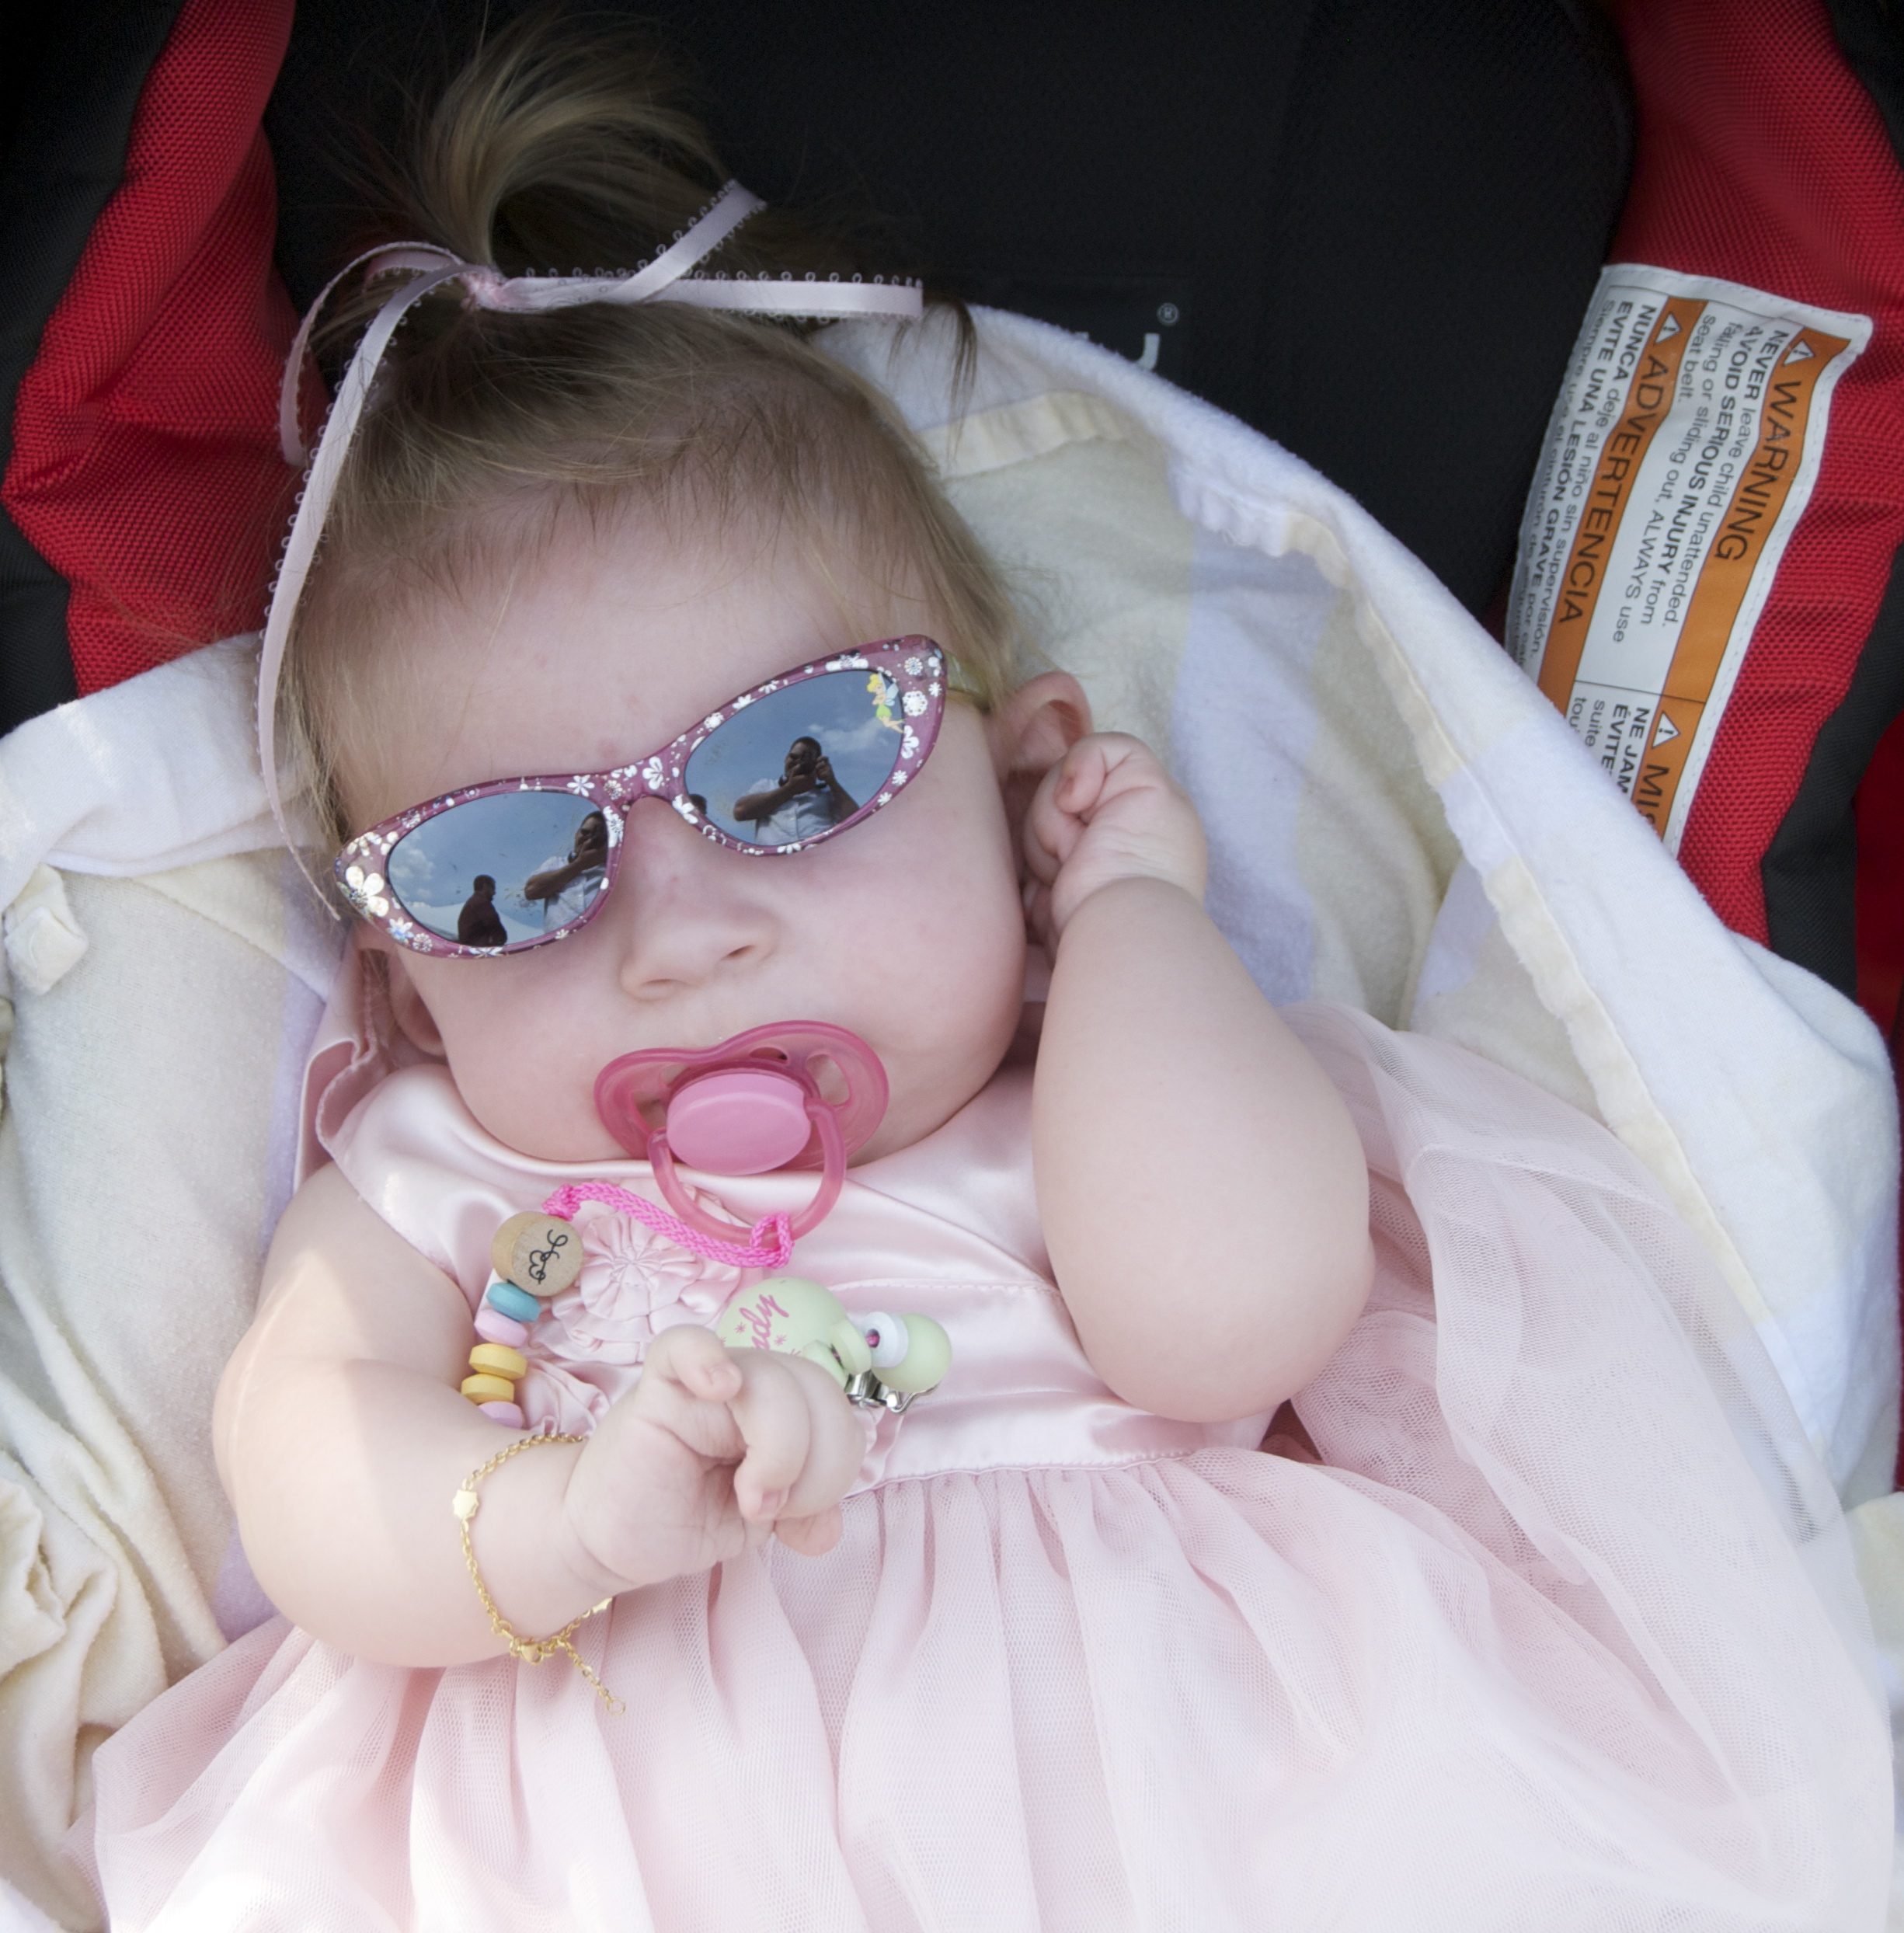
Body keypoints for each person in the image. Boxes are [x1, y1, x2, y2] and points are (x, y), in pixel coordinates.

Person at [82, 19, 1885, 1930]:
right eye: (510, 872)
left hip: (1185, 1794)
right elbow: (307, 1475)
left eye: (798, 769)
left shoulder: (1082, 1097)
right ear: (399, 989)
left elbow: (1230, 1323)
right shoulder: (442, 1181)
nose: (683, 931)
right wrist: (556, 1518)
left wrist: (1129, 918)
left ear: (1017, 778)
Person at [733, 736, 859, 843]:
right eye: (794, 757)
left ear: (817, 764)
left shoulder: (827, 793)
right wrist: (790, 789)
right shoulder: (766, 786)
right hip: (775, 862)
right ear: (786, 758)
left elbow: (856, 822)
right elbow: (740, 812)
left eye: (806, 760)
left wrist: (832, 782)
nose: (798, 763)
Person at [524, 810, 610, 928]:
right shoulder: (556, 863)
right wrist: (580, 864)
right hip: (561, 939)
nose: (589, 840)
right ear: (576, 834)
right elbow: (531, 891)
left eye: (597, 837)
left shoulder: (613, 871)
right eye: (585, 832)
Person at [456, 872, 510, 948]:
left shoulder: (473, 902)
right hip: (481, 949)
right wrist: (496, 940)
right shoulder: (481, 903)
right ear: (485, 886)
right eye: (492, 887)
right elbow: (497, 930)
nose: (494, 893)